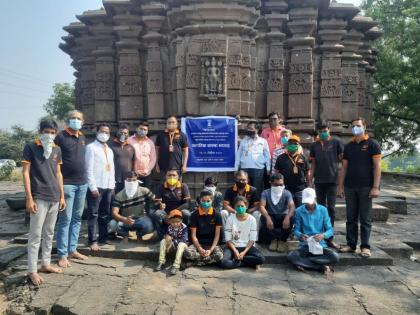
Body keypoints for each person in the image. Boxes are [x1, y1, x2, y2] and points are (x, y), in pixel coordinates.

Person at [22, 119, 66, 285]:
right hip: (38, 196)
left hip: (54, 196)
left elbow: (59, 173)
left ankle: (45, 263)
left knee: (49, 233)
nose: (49, 135)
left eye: (52, 132)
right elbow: (26, 173)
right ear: (40, 131)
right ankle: (32, 270)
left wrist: (62, 196)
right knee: (35, 235)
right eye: (46, 132)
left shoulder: (57, 149)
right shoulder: (31, 147)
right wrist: (29, 198)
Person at [338, 117, 381, 258]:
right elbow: (344, 167)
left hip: (366, 187)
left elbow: (377, 167)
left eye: (358, 125)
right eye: (353, 126)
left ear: (364, 126)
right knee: (350, 218)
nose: (355, 128)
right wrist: (340, 186)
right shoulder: (348, 146)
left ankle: (365, 246)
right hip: (350, 186)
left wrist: (375, 187)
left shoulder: (373, 144)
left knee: (365, 218)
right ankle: (351, 244)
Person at [54, 110, 89, 268]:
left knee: (77, 218)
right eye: (73, 118)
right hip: (67, 183)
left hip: (82, 183)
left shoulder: (82, 137)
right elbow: (54, 161)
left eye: (78, 118)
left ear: (83, 121)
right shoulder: (60, 137)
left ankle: (72, 249)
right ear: (68, 121)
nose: (76, 120)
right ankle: (62, 254)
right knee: (65, 220)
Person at [287, 188, 339, 276]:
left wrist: (323, 235)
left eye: (310, 202)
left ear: (315, 199)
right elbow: (295, 230)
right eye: (306, 203)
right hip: (305, 245)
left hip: (320, 244)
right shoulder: (299, 211)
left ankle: (306, 263)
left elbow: (330, 230)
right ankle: (321, 266)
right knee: (292, 256)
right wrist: (301, 235)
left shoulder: (323, 210)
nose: (309, 205)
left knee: (335, 257)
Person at [309, 120, 343, 249]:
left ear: (329, 130)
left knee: (331, 210)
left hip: (332, 181)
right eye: (320, 131)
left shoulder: (336, 142)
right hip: (319, 181)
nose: (323, 133)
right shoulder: (314, 145)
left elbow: (342, 164)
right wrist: (310, 179)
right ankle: (320, 237)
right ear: (318, 132)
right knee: (320, 210)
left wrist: (341, 184)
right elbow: (313, 165)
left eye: (325, 131)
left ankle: (329, 238)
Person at [85, 123, 115, 251]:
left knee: (104, 214)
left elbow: (111, 169)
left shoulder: (109, 149)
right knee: (93, 214)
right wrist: (92, 187)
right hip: (96, 187)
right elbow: (88, 169)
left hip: (108, 186)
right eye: (102, 131)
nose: (105, 134)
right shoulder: (91, 147)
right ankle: (92, 240)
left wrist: (112, 185)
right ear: (96, 132)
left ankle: (103, 238)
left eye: (107, 132)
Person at [220, 196, 265, 269]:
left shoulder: (252, 219)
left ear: (246, 206)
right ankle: (248, 263)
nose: (240, 208)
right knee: (223, 262)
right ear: (234, 207)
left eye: (242, 206)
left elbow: (252, 239)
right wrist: (235, 251)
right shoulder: (230, 219)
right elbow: (228, 239)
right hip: (233, 247)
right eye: (238, 206)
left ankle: (238, 261)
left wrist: (243, 253)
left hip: (247, 247)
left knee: (261, 259)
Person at [110, 172, 157, 242]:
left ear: (137, 180)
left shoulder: (144, 190)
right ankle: (124, 235)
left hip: (140, 219)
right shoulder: (119, 195)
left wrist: (159, 203)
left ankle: (139, 235)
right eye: (129, 180)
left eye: (134, 180)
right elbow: (114, 213)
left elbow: (155, 200)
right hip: (125, 220)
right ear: (125, 181)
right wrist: (124, 219)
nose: (131, 182)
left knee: (149, 226)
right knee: (112, 224)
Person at [184, 190, 224, 266]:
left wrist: (211, 249)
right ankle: (207, 261)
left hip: (212, 244)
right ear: (200, 201)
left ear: (212, 201)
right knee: (187, 253)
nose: (206, 203)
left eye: (208, 201)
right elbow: (193, 235)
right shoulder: (194, 215)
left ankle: (197, 262)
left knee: (219, 255)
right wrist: (199, 248)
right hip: (198, 243)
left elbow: (217, 235)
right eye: (203, 200)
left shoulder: (217, 215)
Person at [259, 173, 295, 252]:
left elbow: (292, 206)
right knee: (263, 218)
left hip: (283, 216)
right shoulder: (265, 193)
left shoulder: (286, 193)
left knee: (292, 217)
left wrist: (288, 217)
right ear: (271, 183)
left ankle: (282, 240)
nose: (279, 187)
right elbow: (261, 206)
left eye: (281, 184)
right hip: (271, 216)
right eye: (276, 184)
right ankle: (273, 240)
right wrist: (268, 217)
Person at [235, 121, 271, 196]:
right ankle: (245, 204)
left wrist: (268, 168)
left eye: (251, 128)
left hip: (258, 169)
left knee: (257, 189)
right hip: (244, 168)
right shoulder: (243, 141)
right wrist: (236, 168)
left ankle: (257, 205)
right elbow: (238, 155)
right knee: (244, 188)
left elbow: (267, 155)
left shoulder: (263, 141)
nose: (248, 130)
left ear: (257, 129)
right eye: (248, 128)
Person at [274, 135, 310, 207]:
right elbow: (276, 172)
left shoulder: (303, 157)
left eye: (295, 144)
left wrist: (308, 185)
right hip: (285, 189)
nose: (292, 145)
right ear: (287, 145)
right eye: (291, 143)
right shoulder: (280, 158)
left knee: (300, 209)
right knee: (287, 209)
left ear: (298, 145)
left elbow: (307, 172)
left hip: (300, 189)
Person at [153, 169, 191, 236]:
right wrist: (159, 205)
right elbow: (156, 203)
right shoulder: (160, 187)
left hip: (179, 211)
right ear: (166, 177)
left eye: (174, 175)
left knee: (187, 213)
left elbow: (187, 203)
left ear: (178, 176)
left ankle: (185, 234)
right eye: (169, 175)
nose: (171, 177)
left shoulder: (183, 186)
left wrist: (173, 213)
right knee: (157, 213)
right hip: (166, 213)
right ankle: (163, 234)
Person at [155, 209, 188, 275]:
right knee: (163, 241)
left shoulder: (184, 228)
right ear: (170, 221)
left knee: (181, 244)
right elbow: (168, 235)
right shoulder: (170, 227)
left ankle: (176, 265)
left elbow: (184, 239)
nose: (175, 224)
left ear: (181, 221)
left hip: (182, 245)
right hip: (173, 244)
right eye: (173, 222)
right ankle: (161, 262)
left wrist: (172, 240)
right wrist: (167, 238)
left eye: (177, 222)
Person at [155, 116, 188, 180]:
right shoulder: (161, 135)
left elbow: (186, 151)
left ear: (177, 124)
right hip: (163, 168)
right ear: (166, 124)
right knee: (164, 187)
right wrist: (156, 164)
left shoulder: (182, 135)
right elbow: (156, 150)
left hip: (177, 167)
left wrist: (184, 165)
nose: (171, 124)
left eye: (173, 122)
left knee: (177, 188)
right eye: (169, 122)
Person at [127, 121, 156, 188]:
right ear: (137, 129)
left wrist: (147, 170)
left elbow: (153, 159)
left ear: (147, 131)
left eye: (145, 130)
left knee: (147, 195)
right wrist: (134, 171)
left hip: (146, 175)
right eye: (141, 129)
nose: (143, 131)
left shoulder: (150, 142)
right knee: (134, 195)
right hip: (133, 175)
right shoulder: (129, 140)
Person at [109, 124, 135, 194]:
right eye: (121, 132)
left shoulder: (131, 147)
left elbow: (133, 163)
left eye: (125, 133)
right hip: (115, 179)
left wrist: (133, 177)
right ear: (117, 133)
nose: (123, 134)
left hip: (128, 180)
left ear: (128, 135)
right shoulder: (110, 146)